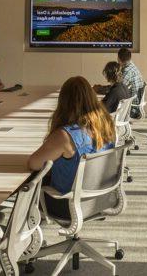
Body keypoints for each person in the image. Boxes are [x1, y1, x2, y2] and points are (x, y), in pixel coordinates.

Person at [27, 76, 116, 218]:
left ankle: (19, 232)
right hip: (100, 199)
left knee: (28, 183)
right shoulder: (106, 124)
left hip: (69, 205)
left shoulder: (65, 135)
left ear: (64, 102)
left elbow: (33, 163)